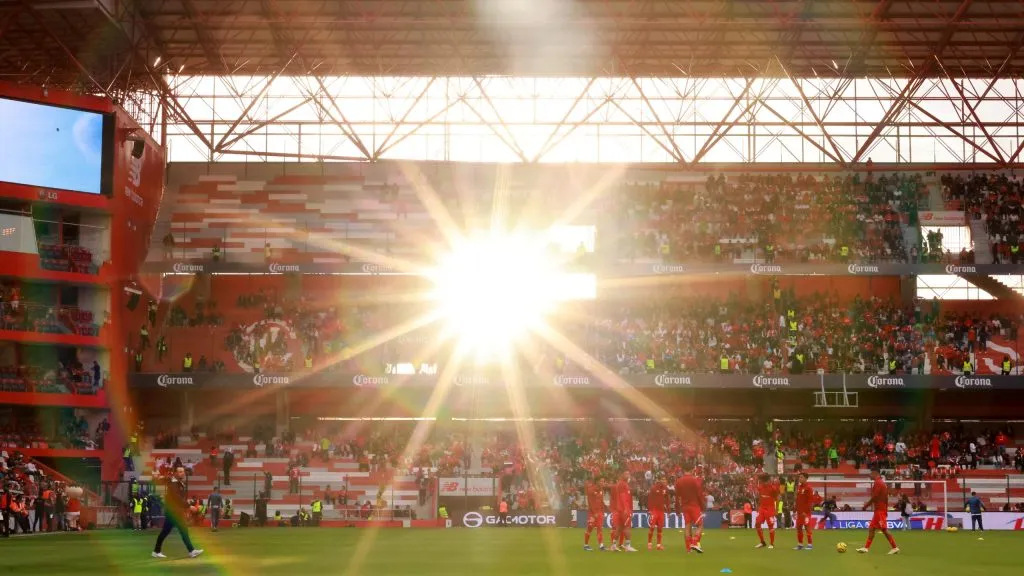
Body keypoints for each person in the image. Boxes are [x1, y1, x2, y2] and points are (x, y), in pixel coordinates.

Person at [152, 466, 204, 559]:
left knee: (165, 532)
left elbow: (179, 498)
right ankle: (191, 551)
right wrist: (189, 506)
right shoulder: (173, 484)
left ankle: (156, 551)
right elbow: (177, 498)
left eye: (183, 471)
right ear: (175, 473)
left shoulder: (179, 483)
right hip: (174, 512)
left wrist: (188, 503)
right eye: (179, 471)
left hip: (173, 512)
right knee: (183, 530)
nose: (182, 473)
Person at [857, 469, 899, 555]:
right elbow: (885, 497)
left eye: (870, 476)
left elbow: (875, 496)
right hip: (879, 510)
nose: (870, 477)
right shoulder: (881, 483)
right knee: (871, 528)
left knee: (884, 529)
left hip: (880, 510)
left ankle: (895, 547)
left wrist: (866, 505)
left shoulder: (878, 483)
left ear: (874, 474)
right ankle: (866, 548)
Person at [674, 464, 705, 553]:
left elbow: (677, 497)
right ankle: (695, 543)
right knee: (700, 525)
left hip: (685, 507)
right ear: (692, 470)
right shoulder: (695, 480)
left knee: (687, 526)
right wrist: (702, 507)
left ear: (683, 470)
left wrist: (677, 509)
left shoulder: (678, 481)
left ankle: (688, 548)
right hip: (694, 506)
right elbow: (699, 495)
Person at [613, 472, 636, 552]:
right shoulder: (623, 484)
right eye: (627, 474)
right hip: (624, 510)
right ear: (622, 475)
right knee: (627, 527)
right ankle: (628, 546)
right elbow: (623, 497)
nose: (629, 476)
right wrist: (626, 509)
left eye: (629, 474)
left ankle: (614, 545)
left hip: (620, 509)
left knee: (619, 528)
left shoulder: (621, 484)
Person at [754, 473, 779, 549]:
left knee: (770, 526)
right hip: (762, 508)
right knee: (757, 524)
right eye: (761, 480)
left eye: (763, 480)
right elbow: (760, 497)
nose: (762, 482)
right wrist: (758, 506)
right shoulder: (760, 487)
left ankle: (771, 544)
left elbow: (777, 499)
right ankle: (762, 542)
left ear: (767, 480)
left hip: (770, 508)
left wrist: (776, 509)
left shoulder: (773, 488)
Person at [583, 476, 606, 551]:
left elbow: (601, 501)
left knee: (599, 528)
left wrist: (603, 511)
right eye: (601, 481)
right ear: (597, 482)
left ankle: (601, 545)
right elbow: (590, 502)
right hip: (592, 513)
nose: (603, 483)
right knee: (590, 528)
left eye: (603, 481)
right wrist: (594, 513)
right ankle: (586, 545)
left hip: (600, 513)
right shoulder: (591, 490)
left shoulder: (602, 490)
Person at [647, 473, 668, 551]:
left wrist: (668, 511)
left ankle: (658, 545)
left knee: (660, 528)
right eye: (662, 479)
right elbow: (649, 499)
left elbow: (667, 500)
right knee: (652, 527)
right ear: (659, 480)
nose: (663, 481)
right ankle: (649, 544)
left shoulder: (665, 489)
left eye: (664, 479)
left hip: (661, 511)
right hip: (654, 510)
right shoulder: (653, 488)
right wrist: (649, 509)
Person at [793, 473, 814, 550]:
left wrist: (807, 511)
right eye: (799, 477)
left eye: (801, 477)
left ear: (806, 478)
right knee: (798, 528)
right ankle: (800, 544)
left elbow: (810, 501)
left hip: (805, 513)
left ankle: (810, 544)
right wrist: (795, 510)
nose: (799, 478)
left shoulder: (808, 488)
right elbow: (797, 500)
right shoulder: (799, 487)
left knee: (807, 528)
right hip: (799, 512)